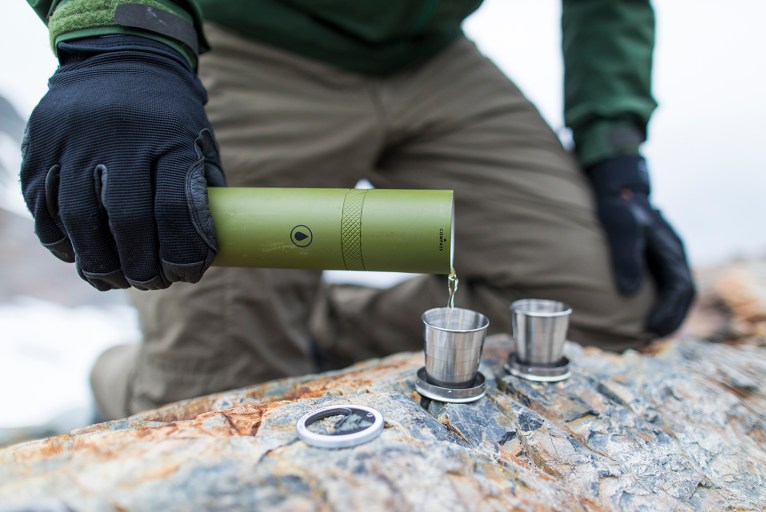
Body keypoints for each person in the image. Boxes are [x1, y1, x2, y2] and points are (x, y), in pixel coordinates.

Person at [21, 0, 695, 419]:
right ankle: (114, 373)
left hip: (433, 56)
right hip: (242, 37)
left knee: (605, 309)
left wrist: (614, 148)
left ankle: (313, 325)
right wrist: (120, 38)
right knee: (219, 398)